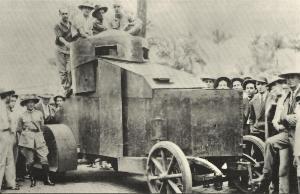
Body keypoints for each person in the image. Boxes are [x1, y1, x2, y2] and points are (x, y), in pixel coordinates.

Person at [253, 70, 300, 193]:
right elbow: (280, 117)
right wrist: (285, 119)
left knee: (297, 169)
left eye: (292, 77)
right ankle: (266, 175)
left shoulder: (295, 94)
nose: (289, 81)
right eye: (287, 78)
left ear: (299, 78)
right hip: (287, 133)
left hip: (298, 135)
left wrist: (288, 118)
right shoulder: (287, 96)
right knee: (272, 146)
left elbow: (296, 118)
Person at [17, 94, 55, 187]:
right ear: (25, 104)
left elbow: (42, 126)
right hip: (27, 139)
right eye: (28, 103)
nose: (30, 104)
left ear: (34, 103)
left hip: (38, 137)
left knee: (44, 158)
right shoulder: (22, 115)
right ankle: (32, 180)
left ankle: (47, 179)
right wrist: (27, 134)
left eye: (32, 102)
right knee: (30, 161)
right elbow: (19, 128)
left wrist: (38, 134)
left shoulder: (39, 113)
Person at [54, 7, 77, 97]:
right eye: (63, 14)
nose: (65, 15)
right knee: (62, 71)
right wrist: (67, 43)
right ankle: (65, 89)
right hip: (60, 49)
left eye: (66, 13)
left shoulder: (71, 25)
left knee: (70, 70)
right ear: (60, 15)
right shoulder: (57, 25)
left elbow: (75, 36)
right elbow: (60, 37)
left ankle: (69, 87)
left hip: (69, 50)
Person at [0, 88, 19, 191]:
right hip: (2, 134)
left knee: (10, 159)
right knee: (1, 160)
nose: (10, 97)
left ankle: (11, 183)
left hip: (8, 135)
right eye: (9, 95)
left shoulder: (6, 107)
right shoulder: (0, 106)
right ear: (5, 96)